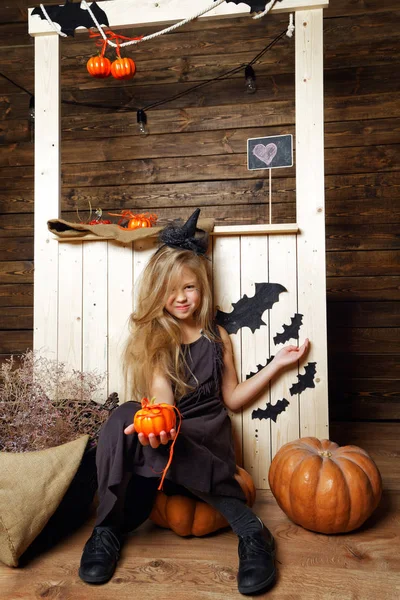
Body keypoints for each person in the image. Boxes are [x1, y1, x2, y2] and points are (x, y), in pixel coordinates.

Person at [79, 209, 309, 595]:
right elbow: (164, 397)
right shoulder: (158, 341)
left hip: (206, 440)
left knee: (167, 437)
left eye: (189, 287)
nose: (181, 298)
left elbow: (233, 399)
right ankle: (106, 530)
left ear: (201, 287)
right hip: (170, 433)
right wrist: (162, 420)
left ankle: (252, 532)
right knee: (123, 414)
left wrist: (277, 365)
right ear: (157, 294)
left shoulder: (217, 337)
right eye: (171, 290)